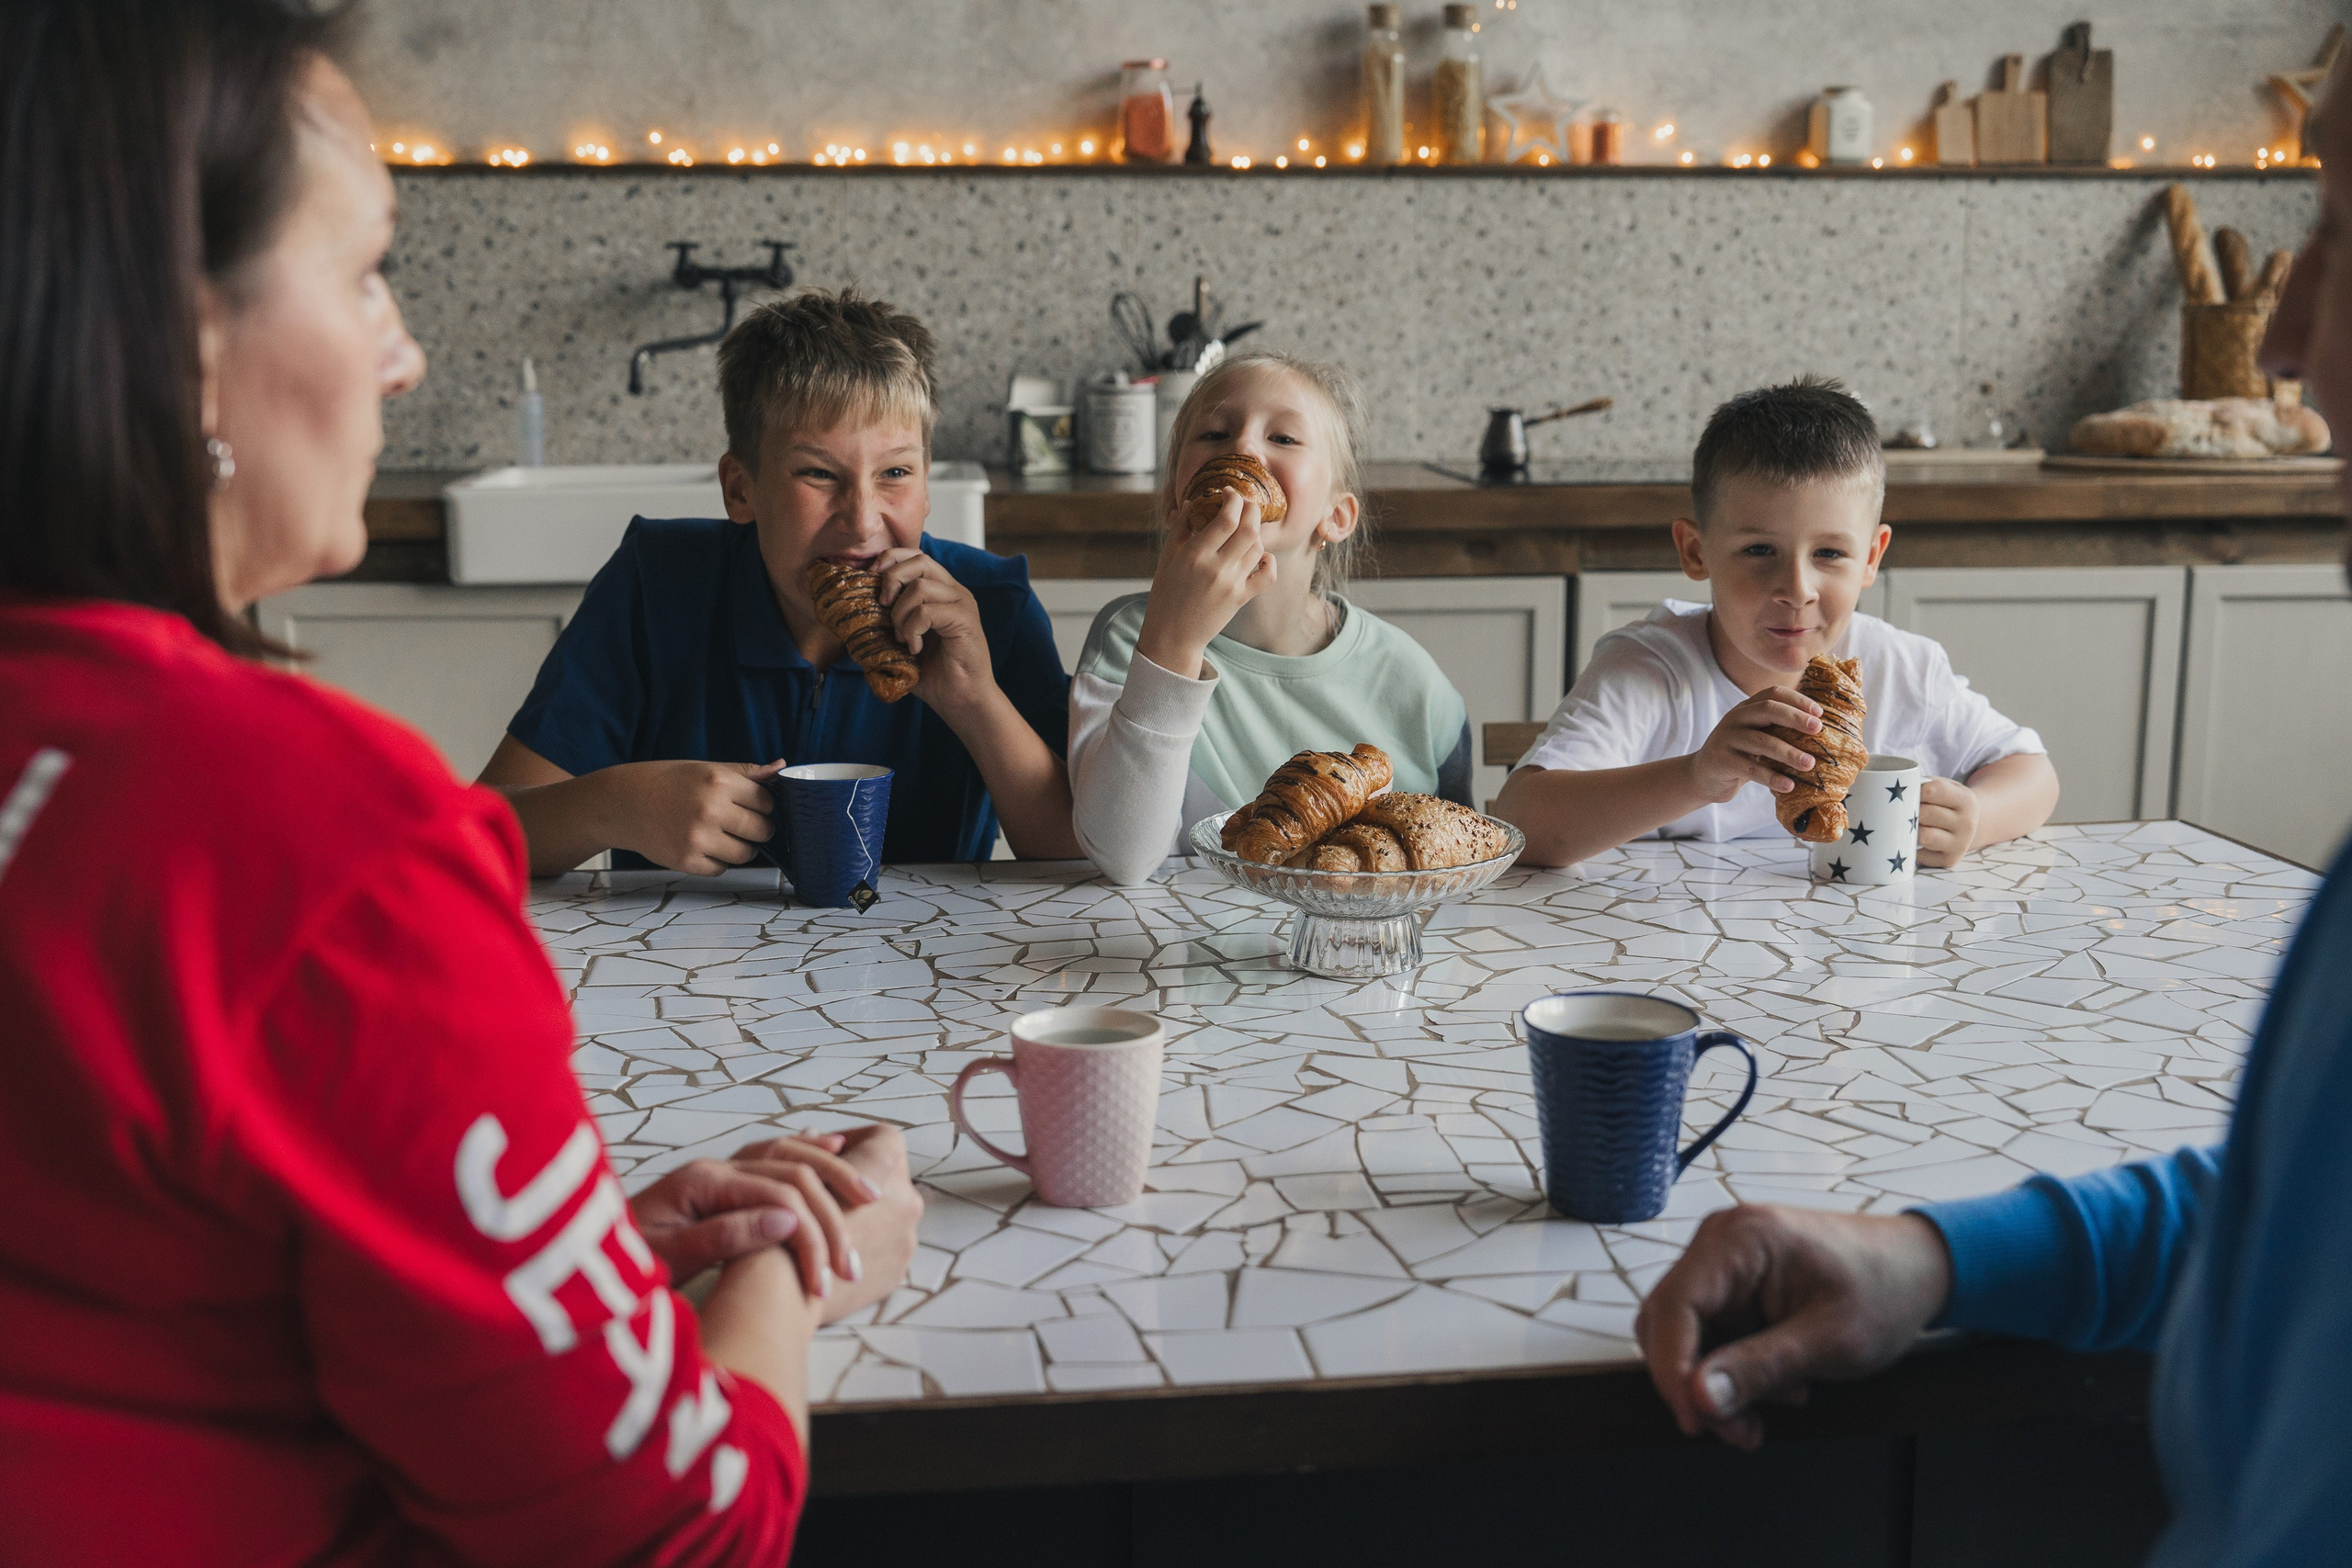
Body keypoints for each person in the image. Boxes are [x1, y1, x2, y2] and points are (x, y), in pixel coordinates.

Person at [0, 4, 920, 1561]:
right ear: (183, 334)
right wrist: (798, 1255)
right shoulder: (306, 826)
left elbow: (146, 1279)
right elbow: (681, 1525)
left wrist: (561, 1259)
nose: (406, 354)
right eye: (363, 275)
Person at [1636, 59, 2351, 1566]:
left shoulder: (1905, 672)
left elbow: (2027, 773)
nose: (2278, 339)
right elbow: (2293, 1210)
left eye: (2341, 236)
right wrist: (1935, 1256)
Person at [481, 289, 1079, 874]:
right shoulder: (656, 587)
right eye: (819, 473)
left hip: (927, 966)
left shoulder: (992, 608)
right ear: (741, 490)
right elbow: (476, 832)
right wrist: (613, 806)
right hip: (686, 964)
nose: (863, 517)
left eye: (895, 471)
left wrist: (977, 701)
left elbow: (1083, 856)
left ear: (927, 490)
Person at [1495, 378, 2060, 868]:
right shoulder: (1650, 669)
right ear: (1696, 552)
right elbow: (1523, 822)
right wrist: (1694, 777)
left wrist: (1977, 818)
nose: (1796, 589)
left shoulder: (1903, 669)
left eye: (1830, 554)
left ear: (1872, 557)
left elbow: (2034, 775)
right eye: (1760, 550)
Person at [1070, 352, 1472, 885]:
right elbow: (1122, 856)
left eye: (1282, 438)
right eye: (1214, 434)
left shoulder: (1411, 683)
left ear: (1337, 515)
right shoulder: (1131, 642)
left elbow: (1462, 864)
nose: (1241, 448)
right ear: (1175, 501)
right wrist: (1174, 642)